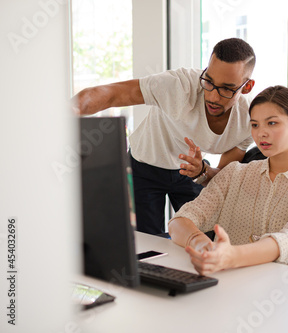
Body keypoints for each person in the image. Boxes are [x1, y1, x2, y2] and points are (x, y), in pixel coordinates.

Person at [72, 38, 256, 235]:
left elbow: (222, 177)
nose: (212, 96)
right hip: (145, 165)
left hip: (189, 170)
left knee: (209, 233)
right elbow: (112, 94)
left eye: (227, 89)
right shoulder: (178, 85)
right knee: (147, 242)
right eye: (209, 81)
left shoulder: (249, 120)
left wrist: (203, 171)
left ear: (246, 87)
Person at [168, 86, 288, 276]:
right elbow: (180, 221)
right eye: (255, 125)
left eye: (272, 123)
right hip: (228, 283)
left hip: (286, 294)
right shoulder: (234, 174)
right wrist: (201, 244)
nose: (261, 133)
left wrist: (230, 256)